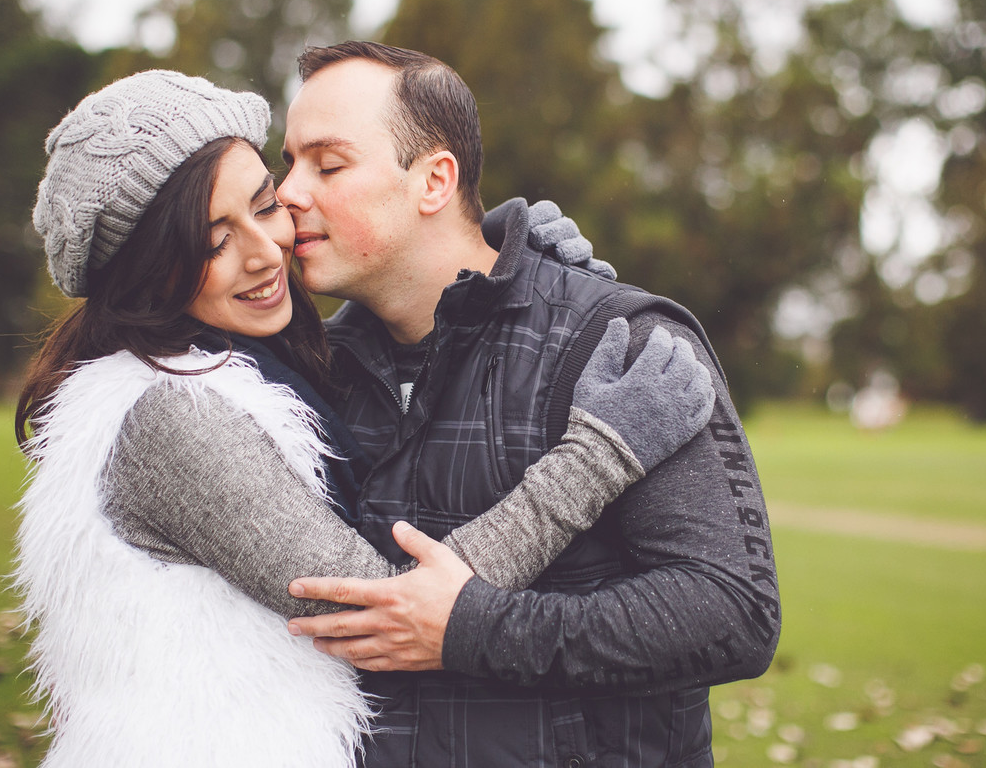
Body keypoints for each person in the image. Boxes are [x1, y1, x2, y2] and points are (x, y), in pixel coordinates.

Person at [10, 70, 717, 768]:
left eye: (261, 206)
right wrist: (597, 456)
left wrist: (514, 259)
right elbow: (383, 610)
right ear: (143, 273)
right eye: (210, 242)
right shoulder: (171, 416)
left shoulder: (258, 362)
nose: (264, 253)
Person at [278, 42, 782, 767]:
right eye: (288, 161)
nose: (289, 190)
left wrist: (477, 627)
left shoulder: (622, 343)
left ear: (433, 180)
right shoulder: (314, 372)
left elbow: (731, 612)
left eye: (327, 165)